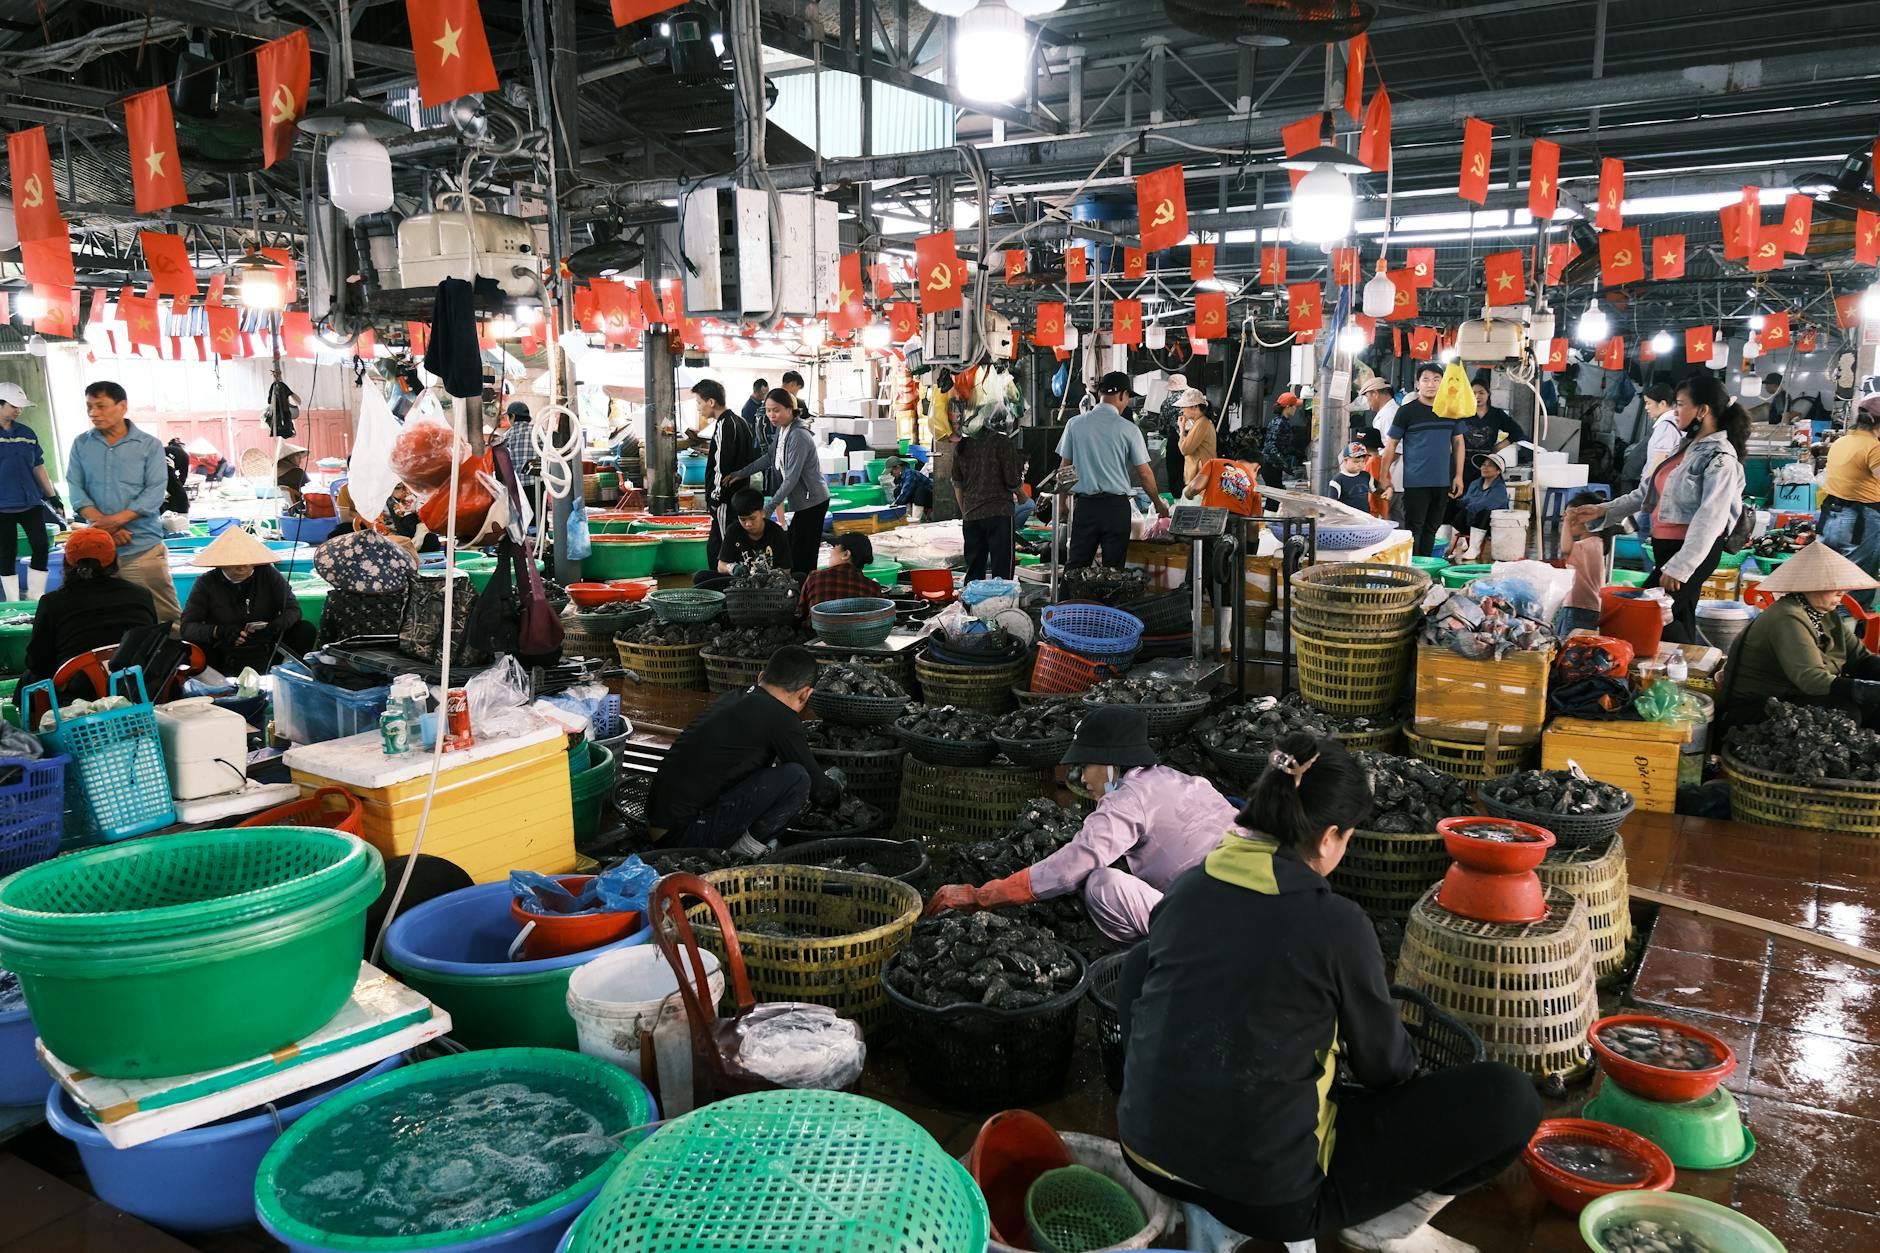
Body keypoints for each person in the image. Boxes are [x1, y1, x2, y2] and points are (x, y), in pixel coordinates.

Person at [1115, 732, 1541, 1253]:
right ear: (1327, 837)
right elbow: (1389, 1070)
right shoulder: (1335, 923)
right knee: (1509, 1099)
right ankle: (1377, 1225)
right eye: (1348, 837)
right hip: (1274, 1197)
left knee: (1141, 962)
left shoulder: (1187, 888)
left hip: (1147, 1155)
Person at [925, 707, 1239, 944]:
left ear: (1110, 765)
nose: (1084, 779)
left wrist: (984, 896)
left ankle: (1155, 967)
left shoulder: (1127, 800)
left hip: (1212, 929)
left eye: (1086, 766)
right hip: (1259, 909)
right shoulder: (1182, 780)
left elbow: (1071, 866)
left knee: (1102, 884)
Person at [1571, 375, 1748, 643]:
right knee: (1677, 617)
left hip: (1690, 551)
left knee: (1644, 612)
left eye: (1680, 404)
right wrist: (1603, 510)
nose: (1675, 411)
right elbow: (1646, 493)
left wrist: (1681, 566)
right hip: (1668, 548)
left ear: (1703, 410)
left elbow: (1711, 518)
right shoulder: (1686, 448)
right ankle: (1685, 671)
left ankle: (1661, 670)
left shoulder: (1720, 458)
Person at [645, 644, 840, 854]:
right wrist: (838, 786)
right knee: (797, 778)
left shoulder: (734, 697)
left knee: (775, 772)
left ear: (761, 677)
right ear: (805, 694)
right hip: (682, 838)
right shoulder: (781, 717)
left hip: (658, 825)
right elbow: (821, 793)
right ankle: (741, 854)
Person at [1718, 541, 1880, 733]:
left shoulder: (1826, 616)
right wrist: (1867, 690)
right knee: (1844, 711)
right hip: (1754, 709)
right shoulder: (1787, 616)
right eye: (1833, 586)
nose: (1841, 592)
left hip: (1792, 698)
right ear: (1810, 586)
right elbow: (1813, 680)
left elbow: (1861, 660)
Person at [66, 381, 181, 624]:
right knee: (109, 619)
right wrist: (109, 529)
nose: (93, 413)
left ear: (122, 406)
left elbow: (154, 492)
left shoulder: (148, 445)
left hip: (142, 548)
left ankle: (178, 660)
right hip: (97, 553)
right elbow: (76, 488)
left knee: (165, 617)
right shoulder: (81, 444)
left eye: (101, 406)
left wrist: (113, 523)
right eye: (89, 407)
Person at [1057, 372, 1171, 569]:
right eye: (1127, 397)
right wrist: (1158, 504)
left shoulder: (1074, 424)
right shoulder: (1129, 429)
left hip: (1085, 507)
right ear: (1122, 395)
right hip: (1115, 509)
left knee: (1075, 567)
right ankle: (1108, 601)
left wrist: (1062, 504)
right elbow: (1144, 474)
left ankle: (1070, 600)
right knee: (1113, 570)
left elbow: (1065, 468)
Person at [23, 527, 158, 685]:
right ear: (114, 560)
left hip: (78, 695)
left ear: (67, 562)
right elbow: (153, 644)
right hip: (137, 686)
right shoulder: (141, 594)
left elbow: (37, 663)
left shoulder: (52, 602)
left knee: (29, 679)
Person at [178, 527, 315, 675]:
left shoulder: (268, 574)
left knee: (304, 629)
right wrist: (219, 632)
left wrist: (273, 627)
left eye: (248, 561)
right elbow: (187, 627)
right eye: (235, 561)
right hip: (226, 647)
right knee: (192, 647)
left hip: (266, 643)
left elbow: (293, 609)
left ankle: (283, 673)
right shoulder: (206, 583)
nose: (242, 566)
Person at [731, 388, 832, 577]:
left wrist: (768, 509)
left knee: (804, 553)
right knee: (795, 547)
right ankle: (799, 588)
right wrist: (741, 473)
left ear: (790, 409)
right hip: (803, 501)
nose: (771, 415)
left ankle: (804, 592)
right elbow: (770, 457)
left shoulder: (798, 435)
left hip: (814, 501)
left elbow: (791, 479)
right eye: (768, 410)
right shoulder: (783, 430)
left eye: (776, 410)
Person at [1381, 364, 1465, 558]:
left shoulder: (1451, 410)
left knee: (1431, 529)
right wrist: (1383, 476)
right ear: (1417, 383)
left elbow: (1459, 443)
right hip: (1415, 481)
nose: (1431, 384)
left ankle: (1426, 570)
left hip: (1442, 480)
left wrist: (1458, 476)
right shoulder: (1406, 412)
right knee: (1414, 528)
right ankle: (1414, 571)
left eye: (1437, 380)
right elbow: (1391, 445)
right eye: (1426, 379)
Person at [0, 383, 61, 602]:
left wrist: (52, 495)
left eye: (20, 406)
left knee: (41, 546)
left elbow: (38, 466)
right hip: (2, 505)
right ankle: (13, 602)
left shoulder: (26, 433)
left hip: (30, 501)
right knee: (6, 553)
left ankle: (37, 597)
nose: (18, 410)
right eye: (13, 405)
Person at [1817, 394, 1880, 607]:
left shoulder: (1841, 442)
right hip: (1860, 522)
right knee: (1856, 582)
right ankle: (1847, 633)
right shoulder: (1873, 448)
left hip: (1833, 516)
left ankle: (1826, 626)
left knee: (1832, 579)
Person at [952, 407, 1024, 582]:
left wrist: (966, 512)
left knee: (974, 570)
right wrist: (1023, 497)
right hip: (998, 514)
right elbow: (1012, 480)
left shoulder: (963, 445)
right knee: (1002, 570)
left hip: (971, 516)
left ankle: (972, 607)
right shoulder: (1002, 442)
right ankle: (1002, 607)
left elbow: (957, 485)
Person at [694, 378, 753, 571]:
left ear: (711, 402)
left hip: (725, 500)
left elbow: (721, 466)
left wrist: (715, 498)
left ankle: (723, 587)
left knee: (723, 547)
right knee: (723, 543)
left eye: (699, 403)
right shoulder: (740, 422)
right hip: (739, 496)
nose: (699, 408)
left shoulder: (723, 425)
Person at [695, 488, 790, 589]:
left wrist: (769, 575)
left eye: (753, 518)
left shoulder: (776, 532)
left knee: (800, 577)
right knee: (700, 576)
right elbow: (721, 566)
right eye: (743, 520)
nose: (748, 524)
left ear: (762, 512)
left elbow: (786, 569)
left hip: (770, 585)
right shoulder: (733, 530)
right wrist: (733, 568)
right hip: (740, 583)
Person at [795, 533, 883, 622]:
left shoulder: (815, 578)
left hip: (817, 634)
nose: (831, 552)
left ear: (846, 554)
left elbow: (800, 613)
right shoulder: (874, 588)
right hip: (859, 635)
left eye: (834, 547)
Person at [1558, 489, 1610, 636]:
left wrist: (1567, 521)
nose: (1566, 521)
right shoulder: (1596, 543)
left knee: (1566, 648)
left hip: (1579, 608)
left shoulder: (1587, 545)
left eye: (1569, 516)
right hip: (1588, 607)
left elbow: (1565, 548)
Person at [1461, 374, 1524, 487]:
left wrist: (1499, 447)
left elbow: (1517, 432)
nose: (1477, 396)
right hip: (1463, 464)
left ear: (1488, 394)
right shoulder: (1463, 413)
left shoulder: (1496, 414)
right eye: (1473, 393)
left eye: (1481, 393)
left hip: (1486, 464)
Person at [1452, 454, 1511, 561]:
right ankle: (1445, 544)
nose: (1485, 468)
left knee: (1484, 511)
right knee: (1451, 506)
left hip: (1489, 526)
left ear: (1498, 471)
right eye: (1483, 465)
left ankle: (1474, 548)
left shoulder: (1500, 489)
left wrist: (1470, 506)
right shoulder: (1475, 484)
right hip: (1470, 520)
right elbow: (1467, 499)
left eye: (1489, 466)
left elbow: (1486, 504)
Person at [1173, 388, 1217, 496]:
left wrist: (1182, 429)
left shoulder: (1202, 423)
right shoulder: (1200, 423)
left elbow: (1185, 449)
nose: (1183, 410)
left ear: (1195, 407)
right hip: (1199, 477)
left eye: (1184, 407)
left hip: (1200, 479)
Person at [1260, 391, 1304, 489]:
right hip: (1270, 466)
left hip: (1273, 465)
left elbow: (1282, 445)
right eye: (1294, 406)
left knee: (1275, 497)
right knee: (1274, 499)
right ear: (1288, 407)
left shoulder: (1282, 422)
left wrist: (1296, 453)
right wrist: (1284, 464)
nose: (1296, 409)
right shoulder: (1279, 423)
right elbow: (1271, 447)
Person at [1324, 442, 1378, 515]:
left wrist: (1388, 490)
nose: (1360, 465)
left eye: (1363, 461)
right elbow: (1332, 503)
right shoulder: (1337, 481)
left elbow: (1377, 490)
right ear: (1346, 460)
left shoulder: (1366, 476)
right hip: (1346, 519)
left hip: (1365, 517)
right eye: (1356, 462)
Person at [276, 444, 310, 513]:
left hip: (289, 507)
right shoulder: (298, 472)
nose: (300, 460)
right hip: (303, 505)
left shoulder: (277, 474)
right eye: (298, 456)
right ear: (290, 458)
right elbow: (310, 489)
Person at [162, 436, 191, 514]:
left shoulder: (164, 448)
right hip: (165, 467)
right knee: (181, 498)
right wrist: (178, 487)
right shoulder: (185, 455)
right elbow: (183, 476)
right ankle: (182, 514)